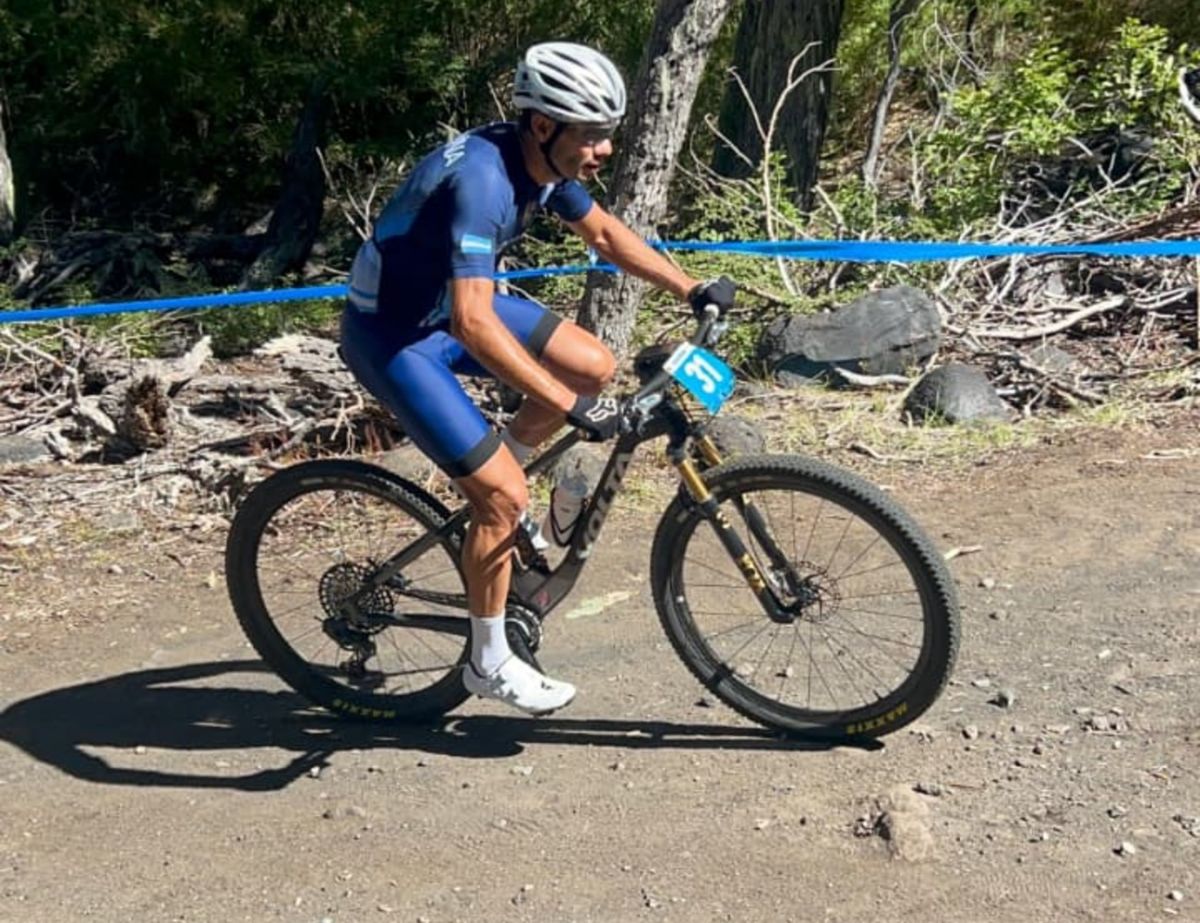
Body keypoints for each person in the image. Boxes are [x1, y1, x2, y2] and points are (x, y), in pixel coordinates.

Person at [339, 42, 736, 716]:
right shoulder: (485, 184)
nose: (605, 149)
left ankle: (507, 492)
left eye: (608, 134)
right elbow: (472, 321)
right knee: (504, 488)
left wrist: (689, 285)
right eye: (593, 135)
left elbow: (606, 235)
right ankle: (487, 660)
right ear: (545, 125)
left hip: (443, 307)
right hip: (395, 335)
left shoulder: (542, 162)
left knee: (592, 365)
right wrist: (568, 409)